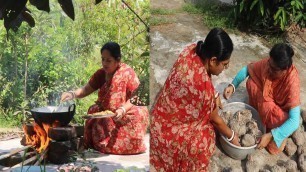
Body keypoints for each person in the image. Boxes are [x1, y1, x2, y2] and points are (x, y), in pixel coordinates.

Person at [150, 28, 240, 171]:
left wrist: (215, 95)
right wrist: (232, 136)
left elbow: (205, 78)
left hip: (160, 116)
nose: (225, 68)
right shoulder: (202, 90)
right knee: (205, 139)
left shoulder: (191, 50)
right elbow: (216, 119)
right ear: (213, 60)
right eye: (224, 64)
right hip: (167, 134)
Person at [61, 42, 149, 154]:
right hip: (108, 113)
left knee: (138, 113)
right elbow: (86, 89)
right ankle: (103, 145)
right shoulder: (101, 74)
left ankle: (130, 146)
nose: (104, 63)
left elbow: (136, 97)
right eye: (103, 59)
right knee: (93, 110)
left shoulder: (127, 73)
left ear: (117, 61)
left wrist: (122, 110)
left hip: (126, 110)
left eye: (108, 60)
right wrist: (72, 94)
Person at [223, 43, 300, 155]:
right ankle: (261, 115)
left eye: (274, 69)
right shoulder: (269, 64)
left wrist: (271, 135)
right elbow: (247, 70)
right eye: (269, 63)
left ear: (285, 70)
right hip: (267, 103)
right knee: (251, 82)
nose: (269, 69)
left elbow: (294, 121)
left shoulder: (292, 82)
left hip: (279, 114)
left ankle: (280, 132)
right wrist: (233, 85)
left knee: (273, 148)